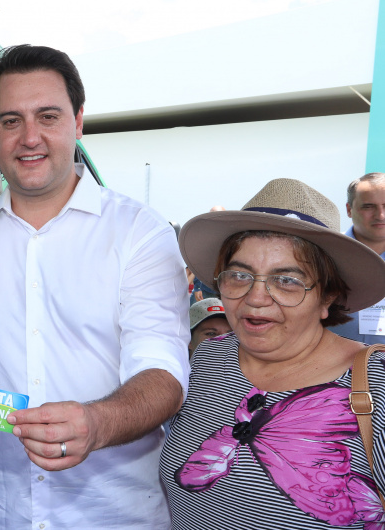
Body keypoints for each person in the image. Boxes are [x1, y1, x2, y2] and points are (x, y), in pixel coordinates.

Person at [0, 44, 190, 528]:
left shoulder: (139, 232)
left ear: (77, 122)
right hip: (4, 514)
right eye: (11, 120)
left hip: (115, 516)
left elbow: (163, 375)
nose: (29, 137)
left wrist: (96, 423)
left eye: (48, 117)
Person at [161, 178, 385, 529]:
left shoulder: (377, 387)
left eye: (287, 280)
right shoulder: (207, 358)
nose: (255, 298)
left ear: (327, 297)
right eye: (239, 275)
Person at [331, 172, 385, 344]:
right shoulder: (325, 253)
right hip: (332, 358)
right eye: (368, 206)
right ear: (349, 209)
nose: (380, 215)